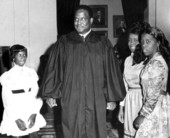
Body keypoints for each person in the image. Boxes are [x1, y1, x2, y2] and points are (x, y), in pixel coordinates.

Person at [40, 5, 126, 138]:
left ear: (91, 20)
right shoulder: (64, 42)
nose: (78, 22)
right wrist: (51, 94)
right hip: (71, 96)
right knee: (71, 130)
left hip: (96, 96)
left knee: (96, 130)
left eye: (83, 19)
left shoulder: (102, 42)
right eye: (76, 19)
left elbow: (111, 71)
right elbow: (54, 69)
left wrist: (112, 98)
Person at [0, 44, 46, 138]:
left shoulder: (31, 73)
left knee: (34, 134)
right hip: (15, 111)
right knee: (17, 134)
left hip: (30, 109)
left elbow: (37, 94)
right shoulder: (7, 76)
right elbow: (7, 100)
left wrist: (34, 113)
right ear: (13, 57)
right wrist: (16, 119)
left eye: (24, 55)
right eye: (20, 55)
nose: (23, 57)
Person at [133, 27, 170, 138]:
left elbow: (154, 94)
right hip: (155, 106)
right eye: (142, 42)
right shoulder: (153, 60)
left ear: (157, 43)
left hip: (155, 108)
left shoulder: (157, 63)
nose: (144, 44)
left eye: (148, 41)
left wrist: (142, 115)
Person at [118, 22, 150, 138]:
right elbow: (124, 85)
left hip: (143, 100)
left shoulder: (148, 59)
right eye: (129, 40)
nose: (131, 43)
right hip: (130, 101)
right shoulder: (127, 60)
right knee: (129, 133)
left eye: (135, 40)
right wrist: (121, 108)